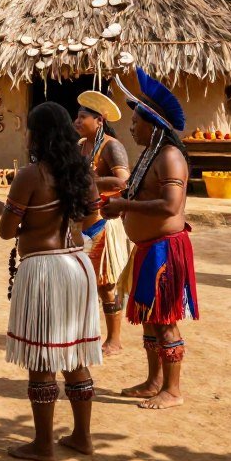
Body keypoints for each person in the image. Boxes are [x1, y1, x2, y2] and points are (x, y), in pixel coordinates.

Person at [0, 101, 103, 461]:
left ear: (37, 134)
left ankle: (43, 444)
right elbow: (93, 219)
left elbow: (6, 230)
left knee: (43, 358)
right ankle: (82, 437)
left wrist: (21, 216)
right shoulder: (83, 174)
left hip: (43, 271)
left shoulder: (31, 175)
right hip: (77, 266)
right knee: (75, 354)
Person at [105, 68, 198, 410]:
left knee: (165, 321)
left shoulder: (170, 157)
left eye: (136, 122)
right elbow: (136, 192)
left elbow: (170, 205)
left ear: (153, 125)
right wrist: (116, 204)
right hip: (147, 249)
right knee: (150, 319)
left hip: (164, 250)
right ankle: (154, 380)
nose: (130, 127)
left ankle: (172, 390)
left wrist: (124, 204)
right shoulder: (151, 154)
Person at [74, 91, 131, 356]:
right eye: (77, 116)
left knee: (107, 285)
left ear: (99, 121)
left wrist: (88, 182)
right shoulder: (80, 146)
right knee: (83, 283)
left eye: (83, 117)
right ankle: (87, 334)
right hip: (81, 224)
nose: (77, 121)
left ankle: (115, 340)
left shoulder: (111, 146)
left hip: (103, 224)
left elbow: (122, 182)